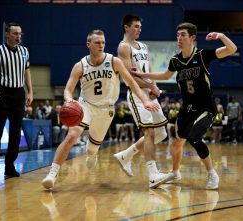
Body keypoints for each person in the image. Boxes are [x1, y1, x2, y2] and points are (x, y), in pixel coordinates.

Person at [41, 29, 159, 189]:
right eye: (97, 42)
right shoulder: (80, 65)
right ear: (88, 44)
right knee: (72, 136)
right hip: (85, 105)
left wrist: (144, 100)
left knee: (93, 147)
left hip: (106, 110)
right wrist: (69, 100)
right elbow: (68, 89)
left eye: (103, 42)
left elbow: (131, 82)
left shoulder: (114, 61)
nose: (101, 45)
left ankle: (92, 153)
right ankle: (52, 174)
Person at [132, 22, 237, 189]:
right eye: (178, 35)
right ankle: (175, 172)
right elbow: (165, 75)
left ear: (192, 38)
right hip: (187, 108)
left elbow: (231, 49)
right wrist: (141, 74)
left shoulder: (203, 56)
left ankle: (212, 174)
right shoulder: (176, 60)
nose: (179, 38)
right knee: (177, 142)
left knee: (194, 137)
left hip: (206, 108)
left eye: (183, 35)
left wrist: (221, 36)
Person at [113, 14, 173, 189]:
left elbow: (149, 70)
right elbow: (129, 77)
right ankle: (153, 175)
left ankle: (126, 155)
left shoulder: (144, 46)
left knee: (161, 134)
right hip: (137, 94)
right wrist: (149, 87)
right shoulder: (123, 47)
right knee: (150, 133)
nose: (139, 29)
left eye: (140, 26)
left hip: (149, 91)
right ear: (126, 27)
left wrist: (155, 87)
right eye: (136, 26)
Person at [0, 22, 33, 178]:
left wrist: (30, 92)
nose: (18, 36)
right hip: (3, 94)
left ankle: (9, 166)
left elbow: (27, 72)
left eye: (20, 34)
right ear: (7, 34)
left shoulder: (25, 52)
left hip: (19, 94)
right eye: (15, 33)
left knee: (15, 134)